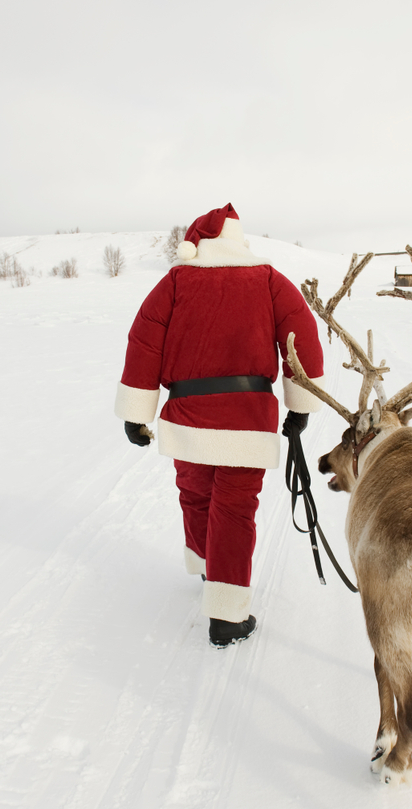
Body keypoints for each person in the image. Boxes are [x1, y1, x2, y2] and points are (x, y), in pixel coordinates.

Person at [115, 204, 325, 647]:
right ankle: (228, 616)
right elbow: (301, 334)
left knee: (195, 492)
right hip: (247, 418)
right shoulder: (268, 279)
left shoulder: (176, 281)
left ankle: (211, 568)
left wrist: (137, 413)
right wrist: (300, 405)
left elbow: (145, 338)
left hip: (188, 416)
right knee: (234, 508)